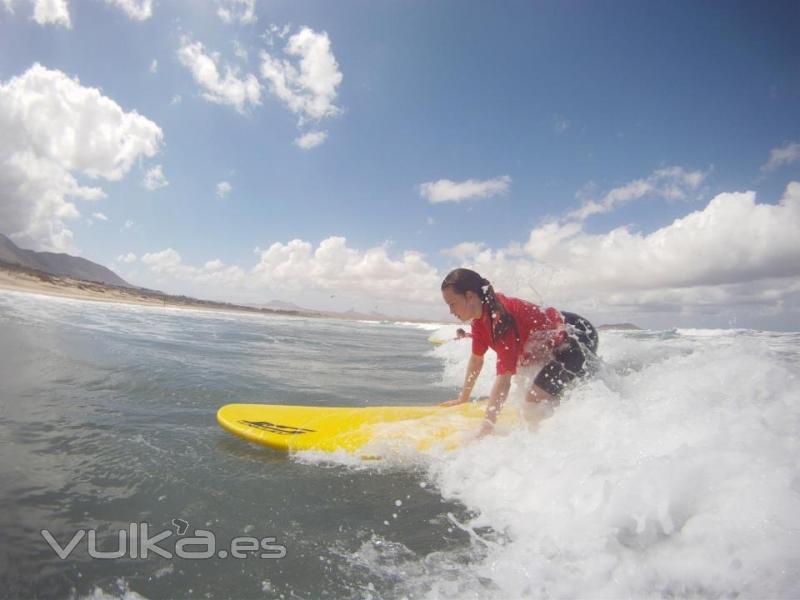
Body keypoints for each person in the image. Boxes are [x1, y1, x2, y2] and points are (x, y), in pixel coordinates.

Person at [439, 268, 598, 437]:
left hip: (578, 335)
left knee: (532, 400)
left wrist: (486, 428)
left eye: (452, 304)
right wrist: (463, 398)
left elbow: (504, 380)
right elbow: (477, 360)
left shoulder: (502, 319)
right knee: (529, 369)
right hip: (559, 337)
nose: (451, 311)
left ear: (470, 296)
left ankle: (561, 436)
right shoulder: (479, 321)